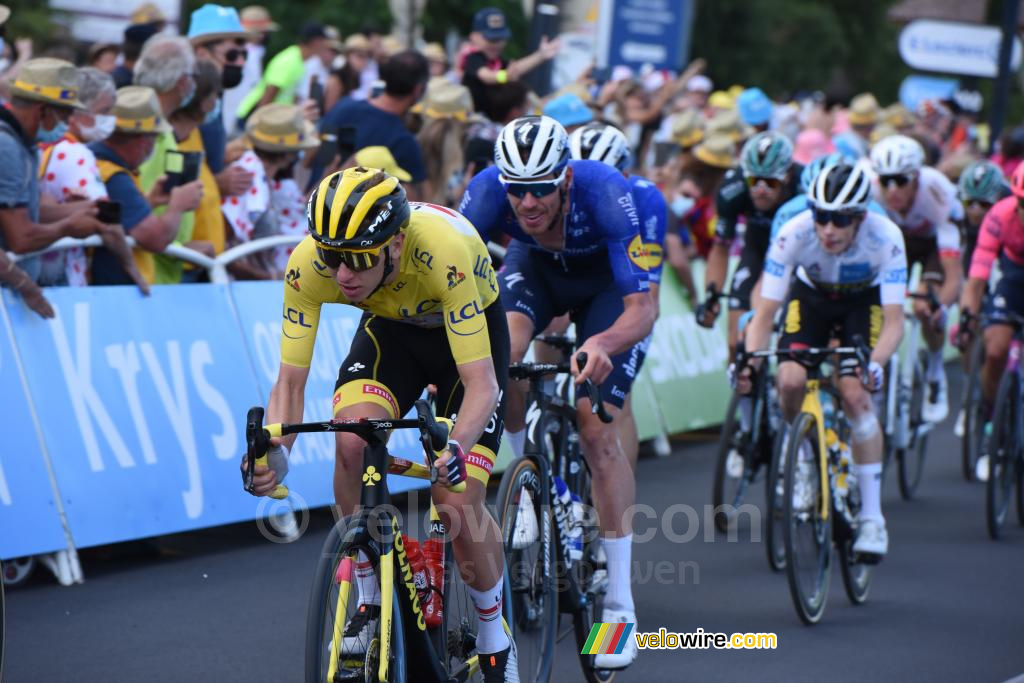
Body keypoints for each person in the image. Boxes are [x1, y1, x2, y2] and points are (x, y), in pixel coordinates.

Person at [242, 166, 517, 679]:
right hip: (392, 334)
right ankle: (369, 596)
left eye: (358, 259)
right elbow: (290, 383)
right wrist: (277, 452)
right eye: (332, 256)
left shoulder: (441, 250)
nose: (342, 273)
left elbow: (483, 386)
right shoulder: (309, 265)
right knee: (351, 444)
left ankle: (493, 631)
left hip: (468, 343)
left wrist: (454, 448)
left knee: (455, 501)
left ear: (394, 245)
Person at [459, 115, 654, 670]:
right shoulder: (484, 195)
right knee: (504, 360)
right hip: (535, 271)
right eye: (516, 190)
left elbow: (643, 310)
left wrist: (602, 342)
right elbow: (449, 282)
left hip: (605, 291)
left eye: (541, 188)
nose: (527, 203)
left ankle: (619, 603)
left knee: (596, 430)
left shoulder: (608, 193)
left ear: (565, 178)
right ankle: (524, 483)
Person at [743, 162, 907, 557]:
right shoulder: (793, 233)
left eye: (840, 219)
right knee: (789, 380)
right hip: (811, 297)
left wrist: (876, 363)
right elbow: (765, 314)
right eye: (821, 216)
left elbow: (895, 323)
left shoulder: (886, 237)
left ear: (861, 216)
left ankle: (872, 518)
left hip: (862, 301)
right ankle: (800, 459)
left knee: (854, 394)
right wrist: (749, 361)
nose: (829, 229)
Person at [569, 121, 669, 471]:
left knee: (614, 401)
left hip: (620, 291)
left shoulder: (646, 198)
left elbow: (648, 298)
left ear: (624, 172)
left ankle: (612, 500)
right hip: (575, 283)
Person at [870, 134, 963, 423]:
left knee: (925, 304)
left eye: (901, 180)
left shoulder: (937, 194)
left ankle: (936, 370)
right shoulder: (870, 192)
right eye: (886, 181)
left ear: (917, 177)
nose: (893, 189)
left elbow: (953, 276)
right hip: (895, 243)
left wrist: (941, 305)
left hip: (934, 243)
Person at [0, 58, 112, 281]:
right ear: (42, 111)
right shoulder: (8, 147)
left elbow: (28, 212)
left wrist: (80, 209)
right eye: (64, 114)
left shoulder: (25, 144)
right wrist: (67, 227)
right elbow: (21, 238)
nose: (68, 122)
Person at [698, 130, 801, 354]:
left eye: (770, 183)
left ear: (788, 177)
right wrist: (711, 296)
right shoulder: (732, 188)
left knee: (793, 344)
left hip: (797, 258)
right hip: (757, 249)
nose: (760, 190)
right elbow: (720, 247)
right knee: (737, 343)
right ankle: (744, 385)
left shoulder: (804, 186)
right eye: (754, 181)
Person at [89, 86, 203, 285]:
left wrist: (149, 203)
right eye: (156, 138)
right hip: (110, 292)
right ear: (144, 141)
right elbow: (155, 239)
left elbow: (121, 221)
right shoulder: (115, 177)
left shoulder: (98, 160)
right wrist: (177, 206)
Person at [958, 164, 1024, 481]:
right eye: (1022, 204)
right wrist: (967, 318)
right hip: (1013, 277)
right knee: (995, 348)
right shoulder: (999, 215)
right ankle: (990, 420)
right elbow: (977, 278)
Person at [220, 103, 318, 279]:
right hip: (244, 289)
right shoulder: (247, 179)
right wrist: (272, 278)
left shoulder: (261, 176)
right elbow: (225, 249)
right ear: (289, 154)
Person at [318, 50, 429, 198]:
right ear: (418, 89)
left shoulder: (343, 107)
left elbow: (312, 160)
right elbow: (417, 202)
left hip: (314, 205)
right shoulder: (405, 142)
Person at [187, 3, 251, 176]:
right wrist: (219, 183)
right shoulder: (187, 101)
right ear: (201, 53)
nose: (240, 63)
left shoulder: (216, 95)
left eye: (243, 55)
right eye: (232, 55)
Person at [461, 6, 560, 115]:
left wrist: (540, 55)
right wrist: (505, 76)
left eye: (500, 39)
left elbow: (516, 68)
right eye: (491, 39)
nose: (496, 44)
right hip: (475, 121)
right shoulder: (473, 58)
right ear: (474, 36)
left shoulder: (497, 62)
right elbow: (486, 76)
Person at [236, 21, 330, 122]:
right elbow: (269, 93)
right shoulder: (290, 61)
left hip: (268, 117)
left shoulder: (299, 60)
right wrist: (258, 122)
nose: (327, 45)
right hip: (256, 116)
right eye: (325, 41)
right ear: (316, 42)